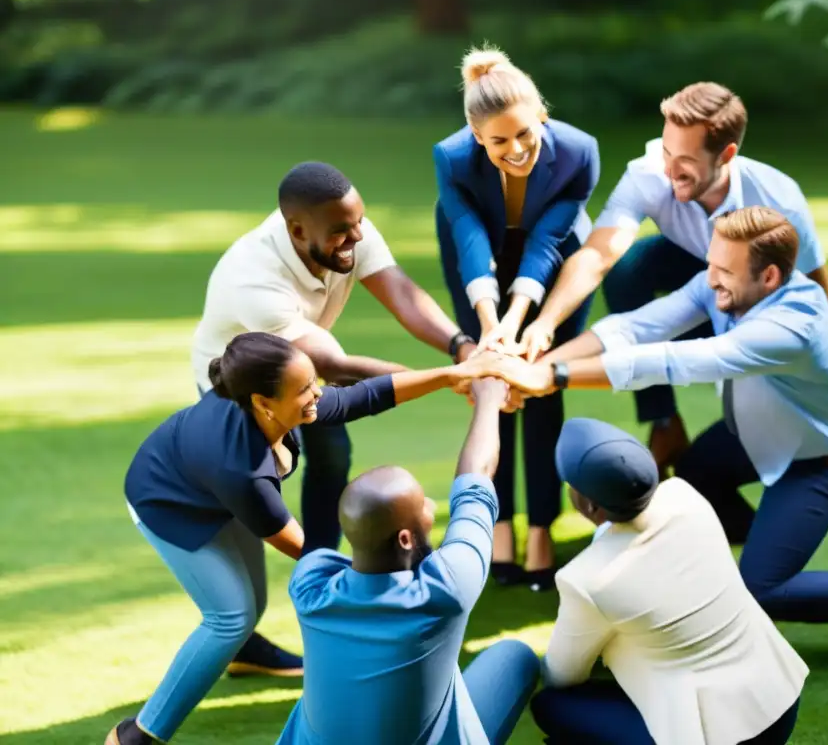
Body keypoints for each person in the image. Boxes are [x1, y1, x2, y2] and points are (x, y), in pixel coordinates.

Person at [488, 206, 828, 673]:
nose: (710, 279)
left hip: (827, 461)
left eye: (724, 271)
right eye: (710, 263)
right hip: (758, 432)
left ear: (768, 276)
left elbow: (677, 361)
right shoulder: (724, 282)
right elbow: (637, 326)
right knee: (695, 471)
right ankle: (758, 554)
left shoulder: (791, 325)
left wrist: (554, 378)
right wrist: (540, 366)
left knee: (760, 589)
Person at [105, 332, 504, 745]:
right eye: (304, 390)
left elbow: (363, 397)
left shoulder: (278, 400)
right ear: (264, 402)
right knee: (231, 616)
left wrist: (455, 374)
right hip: (168, 504)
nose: (317, 393)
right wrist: (388, 594)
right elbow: (308, 553)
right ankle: (137, 735)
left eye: (314, 382)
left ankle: (245, 655)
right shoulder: (245, 474)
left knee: (250, 605)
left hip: (210, 488)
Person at [190, 160, 482, 670]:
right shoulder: (253, 278)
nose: (356, 238)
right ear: (297, 230)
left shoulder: (343, 224)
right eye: (342, 232)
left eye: (359, 224)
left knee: (332, 454)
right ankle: (245, 637)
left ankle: (324, 593)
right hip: (239, 399)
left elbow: (401, 293)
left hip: (298, 378)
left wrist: (461, 347)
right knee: (247, 506)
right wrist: (447, 378)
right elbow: (332, 365)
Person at [513, 82, 828, 484]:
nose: (669, 170)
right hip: (697, 279)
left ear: (727, 155)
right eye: (666, 151)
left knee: (723, 451)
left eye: (684, 160)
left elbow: (820, 295)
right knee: (629, 266)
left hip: (757, 306)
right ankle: (663, 420)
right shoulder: (650, 175)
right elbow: (598, 256)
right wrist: (544, 327)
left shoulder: (778, 200)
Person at [275, 376, 540, 745]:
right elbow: (476, 478)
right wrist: (489, 399)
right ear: (404, 538)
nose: (431, 508)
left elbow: (319, 550)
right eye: (423, 507)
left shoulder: (311, 586)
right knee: (515, 656)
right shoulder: (446, 589)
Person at [433, 44, 600, 589]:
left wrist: (526, 317)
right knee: (494, 379)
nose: (517, 148)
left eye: (525, 134)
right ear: (478, 138)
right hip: (477, 259)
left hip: (554, 258)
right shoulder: (452, 158)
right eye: (499, 141)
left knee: (541, 377)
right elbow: (468, 236)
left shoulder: (579, 152)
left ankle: (543, 530)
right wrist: (490, 323)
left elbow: (549, 241)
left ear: (541, 117)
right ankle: (499, 524)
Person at [530, 417, 807, 745]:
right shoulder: (684, 496)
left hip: (716, 737)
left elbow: (562, 674)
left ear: (589, 504)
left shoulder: (587, 579)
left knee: (551, 705)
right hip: (780, 700)